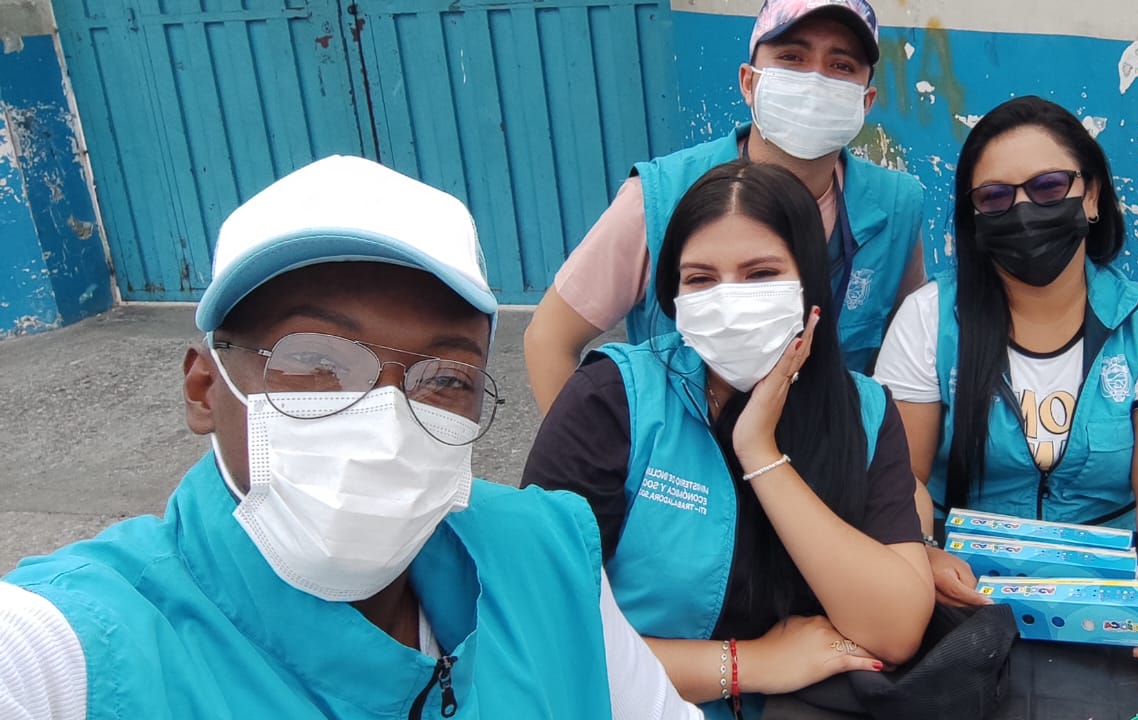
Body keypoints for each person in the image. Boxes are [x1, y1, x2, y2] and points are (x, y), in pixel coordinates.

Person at [0, 156, 702, 719]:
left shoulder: (545, 556)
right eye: (316, 361)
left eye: (443, 377)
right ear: (205, 388)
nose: (385, 420)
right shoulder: (86, 644)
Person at [522, 160, 935, 719]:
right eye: (700, 280)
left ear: (810, 285)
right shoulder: (612, 400)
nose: (730, 300)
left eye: (761, 274)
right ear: (674, 297)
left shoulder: (865, 412)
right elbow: (542, 636)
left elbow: (895, 629)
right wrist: (747, 664)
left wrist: (761, 454)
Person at [872, 96, 1138, 668]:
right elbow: (898, 474)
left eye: (1049, 187)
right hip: (962, 599)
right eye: (995, 197)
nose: (1025, 209)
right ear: (975, 216)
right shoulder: (929, 319)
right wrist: (920, 554)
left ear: (1092, 196)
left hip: (1109, 607)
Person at [524, 0, 927, 411]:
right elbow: (550, 339)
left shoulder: (897, 208)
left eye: (841, 65)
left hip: (826, 447)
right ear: (749, 83)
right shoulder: (661, 195)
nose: (814, 81)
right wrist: (595, 448)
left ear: (865, 100)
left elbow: (909, 361)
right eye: (792, 57)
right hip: (683, 445)